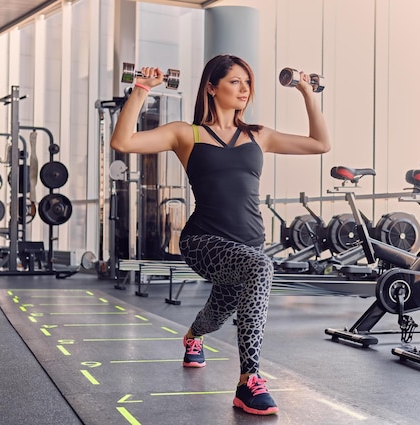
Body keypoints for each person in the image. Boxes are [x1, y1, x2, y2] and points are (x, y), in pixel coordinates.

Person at [110, 54, 330, 416]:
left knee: (217, 313)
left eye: (247, 82)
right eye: (234, 82)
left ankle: (193, 336)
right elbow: (124, 142)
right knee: (261, 269)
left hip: (248, 245)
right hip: (202, 241)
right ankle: (249, 382)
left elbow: (320, 144)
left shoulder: (259, 136)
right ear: (211, 87)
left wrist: (307, 92)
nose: (244, 89)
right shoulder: (187, 133)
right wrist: (141, 90)